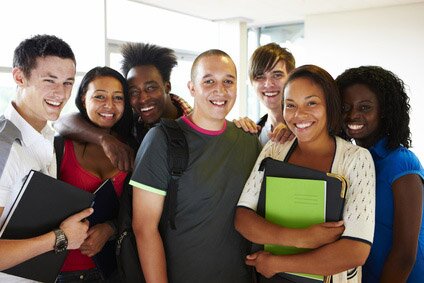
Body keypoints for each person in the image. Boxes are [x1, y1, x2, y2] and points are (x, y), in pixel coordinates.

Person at [130, 49, 262, 283]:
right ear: (192, 88)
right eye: (208, 81)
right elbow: (144, 228)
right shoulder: (161, 140)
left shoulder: (249, 140)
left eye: (228, 81)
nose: (220, 90)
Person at [235, 64, 375, 282]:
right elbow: (243, 218)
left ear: (330, 105)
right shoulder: (274, 149)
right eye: (290, 105)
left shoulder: (356, 159)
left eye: (311, 103)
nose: (299, 114)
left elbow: (355, 251)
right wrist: (303, 238)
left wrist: (277, 264)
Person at [0, 34, 93, 282]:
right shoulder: (4, 147)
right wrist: (60, 238)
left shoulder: (46, 135)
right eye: (49, 80)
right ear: (20, 77)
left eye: (67, 83)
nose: (60, 93)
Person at [336, 66, 424, 283]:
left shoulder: (401, 163)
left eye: (365, 107)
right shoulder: (347, 160)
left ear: (384, 111)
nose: (353, 115)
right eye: (345, 107)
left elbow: (405, 254)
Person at [54, 42, 192, 171]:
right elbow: (61, 122)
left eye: (150, 88)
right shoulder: (132, 123)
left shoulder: (196, 125)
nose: (143, 99)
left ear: (167, 87)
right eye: (133, 92)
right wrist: (104, 139)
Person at [55, 66, 136, 282]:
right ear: (83, 98)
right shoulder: (61, 146)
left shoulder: (131, 147)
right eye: (99, 96)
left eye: (118, 98)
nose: (109, 105)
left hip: (114, 269)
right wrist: (103, 138)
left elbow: (137, 211)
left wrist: (110, 228)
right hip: (63, 271)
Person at [234, 43, 295, 145]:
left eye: (277, 75)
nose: (268, 84)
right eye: (260, 77)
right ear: (252, 83)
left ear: (292, 79)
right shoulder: (253, 134)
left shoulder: (308, 130)